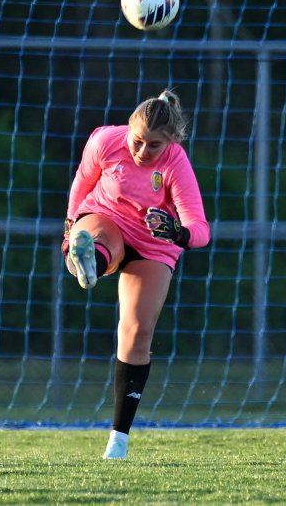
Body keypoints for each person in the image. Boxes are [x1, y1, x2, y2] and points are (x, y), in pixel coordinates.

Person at [62, 89, 210, 459]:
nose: (143, 151)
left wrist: (176, 232)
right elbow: (82, 182)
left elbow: (200, 228)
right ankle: (87, 260)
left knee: (136, 333)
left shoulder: (177, 163)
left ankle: (118, 440)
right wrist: (69, 223)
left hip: (154, 243)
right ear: (127, 129)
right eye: (138, 141)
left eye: (154, 145)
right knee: (95, 239)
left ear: (171, 141)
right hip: (107, 216)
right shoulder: (105, 140)